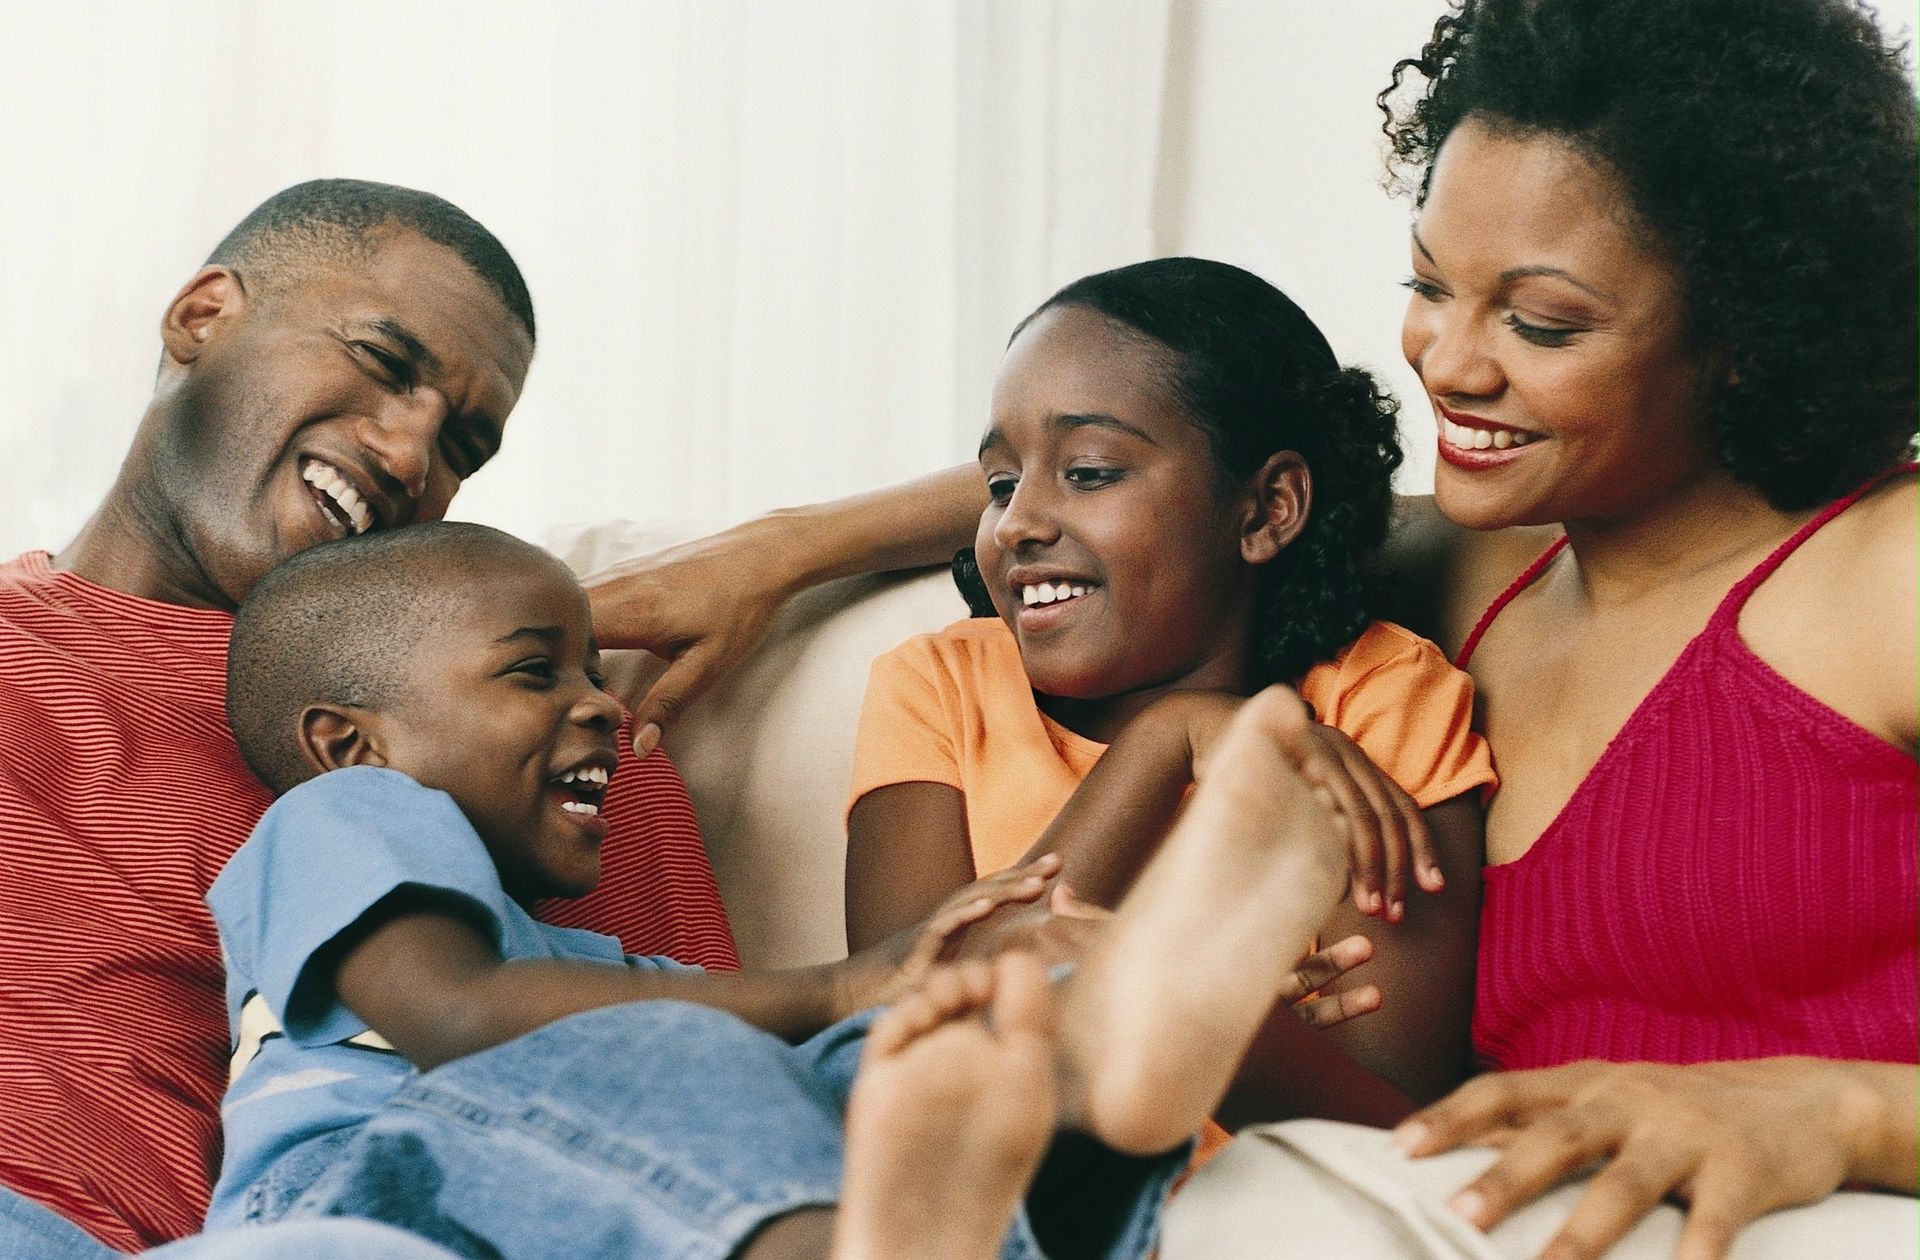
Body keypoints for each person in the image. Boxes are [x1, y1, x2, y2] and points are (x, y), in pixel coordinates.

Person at [590, 2, 1917, 1254]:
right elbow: (1163, 471)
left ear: (1747, 330)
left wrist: (1833, 1109)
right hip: (1469, 1203)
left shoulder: (1884, 572)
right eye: (1428, 286)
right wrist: (777, 551)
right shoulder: (1487, 564)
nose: (1449, 363)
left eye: (1540, 321)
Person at [199, 519, 1383, 1260]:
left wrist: (1055, 958)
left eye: (590, 669)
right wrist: (832, 988)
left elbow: (906, 975)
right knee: (692, 1055)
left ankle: (1098, 1079)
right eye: (531, 672)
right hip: (365, 1194)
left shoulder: (624, 985)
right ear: (349, 743)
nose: (603, 703)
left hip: (610, 1208)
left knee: (936, 1043)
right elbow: (459, 1021)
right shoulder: (344, 815)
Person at [0, 179, 737, 1252]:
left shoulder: (509, 734)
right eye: (384, 365)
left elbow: (704, 1103)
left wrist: (798, 545)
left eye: (462, 447)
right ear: (203, 316)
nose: (408, 457)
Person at [843, 258, 1496, 1133]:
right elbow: (913, 1040)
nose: (1018, 522)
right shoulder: (940, 686)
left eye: (1090, 471)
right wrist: (1169, 738)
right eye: (1002, 484)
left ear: (1266, 509)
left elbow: (1391, 1116)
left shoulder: (1381, 704)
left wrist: (1190, 1022)